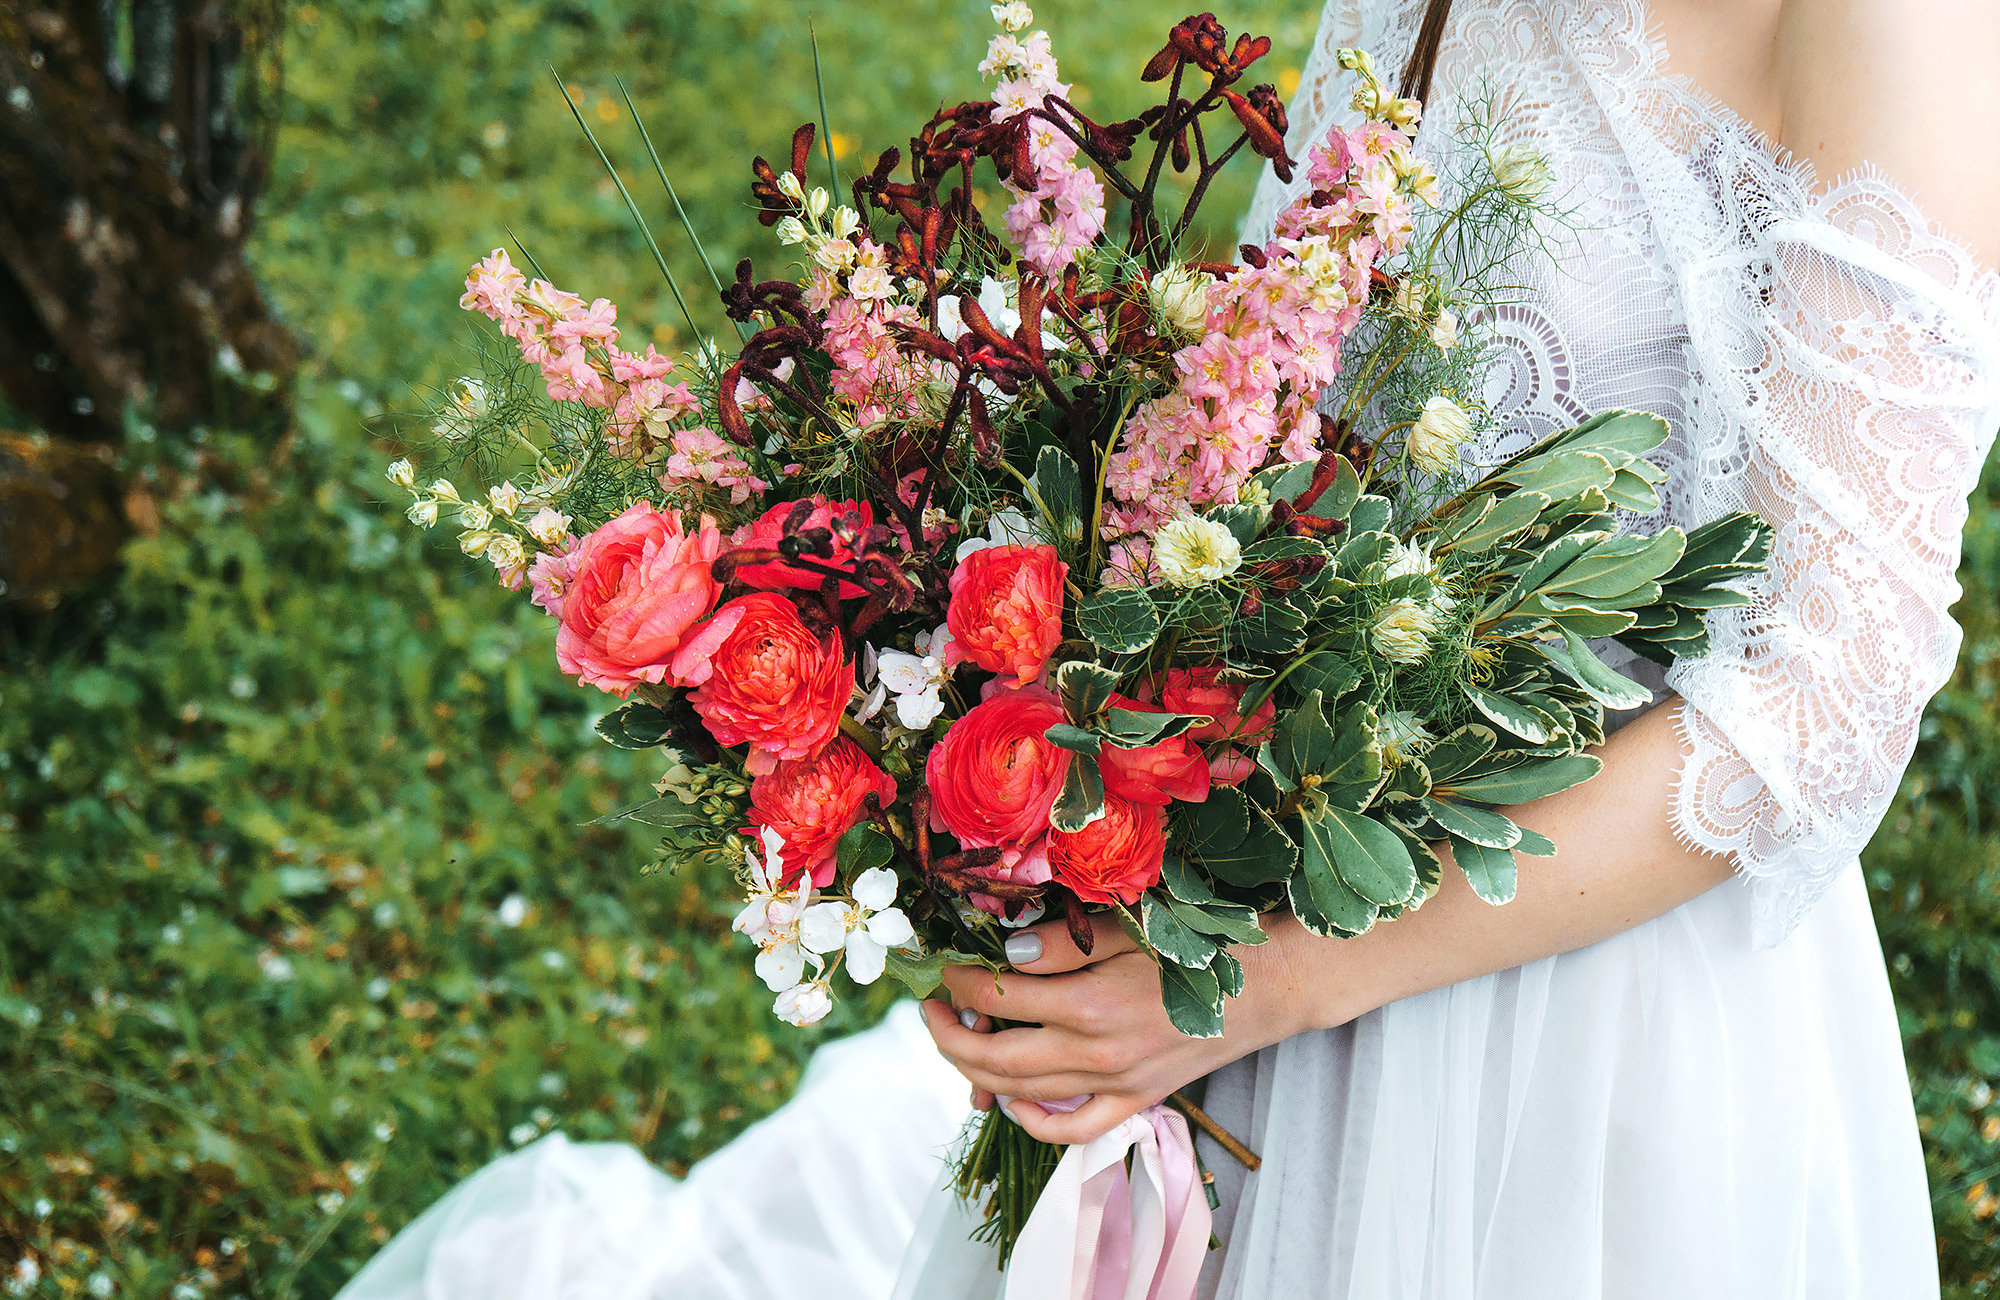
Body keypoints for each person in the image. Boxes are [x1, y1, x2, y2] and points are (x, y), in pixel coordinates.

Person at [338, 1, 2000, 1296]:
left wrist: (1248, 987)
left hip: (1580, 1031)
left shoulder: (1889, 28)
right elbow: (1302, 399)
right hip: (1265, 911)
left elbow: (1824, 696)